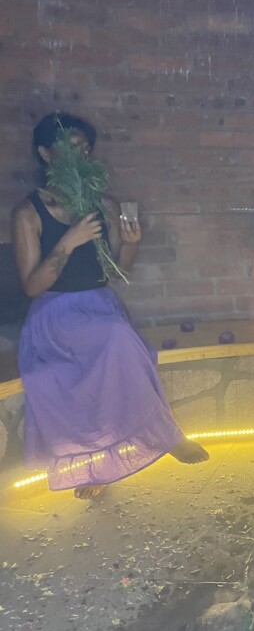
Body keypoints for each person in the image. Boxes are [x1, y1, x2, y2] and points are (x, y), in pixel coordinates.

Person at [11, 112, 209, 499]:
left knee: (118, 345)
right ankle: (153, 440)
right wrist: (70, 239)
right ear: (46, 154)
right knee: (118, 340)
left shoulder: (104, 203)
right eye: (71, 148)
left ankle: (137, 450)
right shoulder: (29, 212)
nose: (81, 155)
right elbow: (32, 286)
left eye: (85, 149)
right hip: (55, 316)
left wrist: (131, 243)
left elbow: (116, 272)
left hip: (100, 306)